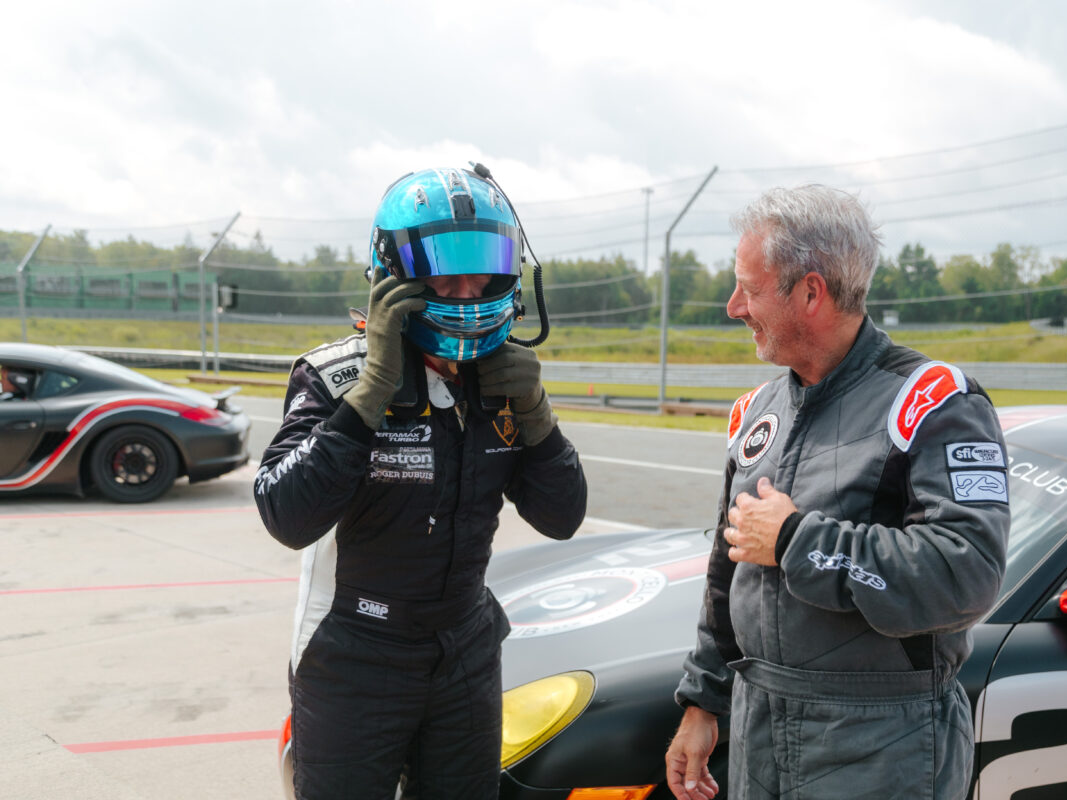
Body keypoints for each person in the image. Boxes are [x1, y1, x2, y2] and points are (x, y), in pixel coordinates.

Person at [665, 185, 1009, 800]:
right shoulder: (756, 411)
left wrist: (800, 540)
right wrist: (702, 700)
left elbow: (967, 575)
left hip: (880, 746)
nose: (733, 305)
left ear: (811, 292)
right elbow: (729, 566)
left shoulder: (932, 402)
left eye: (749, 286)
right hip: (758, 726)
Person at [255, 167, 588, 800]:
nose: (466, 291)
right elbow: (284, 515)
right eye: (443, 270)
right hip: (354, 650)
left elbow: (563, 516)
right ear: (392, 275)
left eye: (482, 269)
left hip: (465, 646)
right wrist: (371, 393)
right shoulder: (332, 375)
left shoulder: (503, 380)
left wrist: (537, 411)